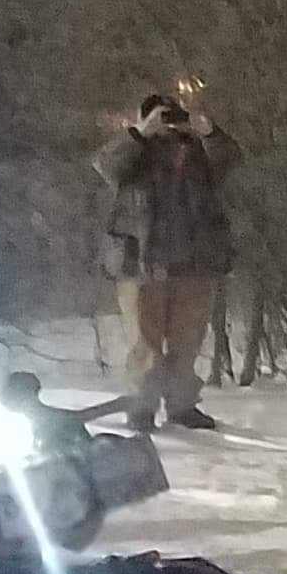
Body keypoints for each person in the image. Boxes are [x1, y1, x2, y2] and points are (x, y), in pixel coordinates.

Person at [92, 88, 241, 433]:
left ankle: (181, 406)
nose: (168, 123)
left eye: (173, 116)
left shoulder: (199, 152)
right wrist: (141, 134)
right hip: (141, 264)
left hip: (195, 263)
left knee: (188, 341)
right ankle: (141, 407)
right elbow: (106, 164)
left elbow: (231, 160)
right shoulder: (134, 153)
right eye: (161, 116)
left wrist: (208, 132)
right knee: (145, 344)